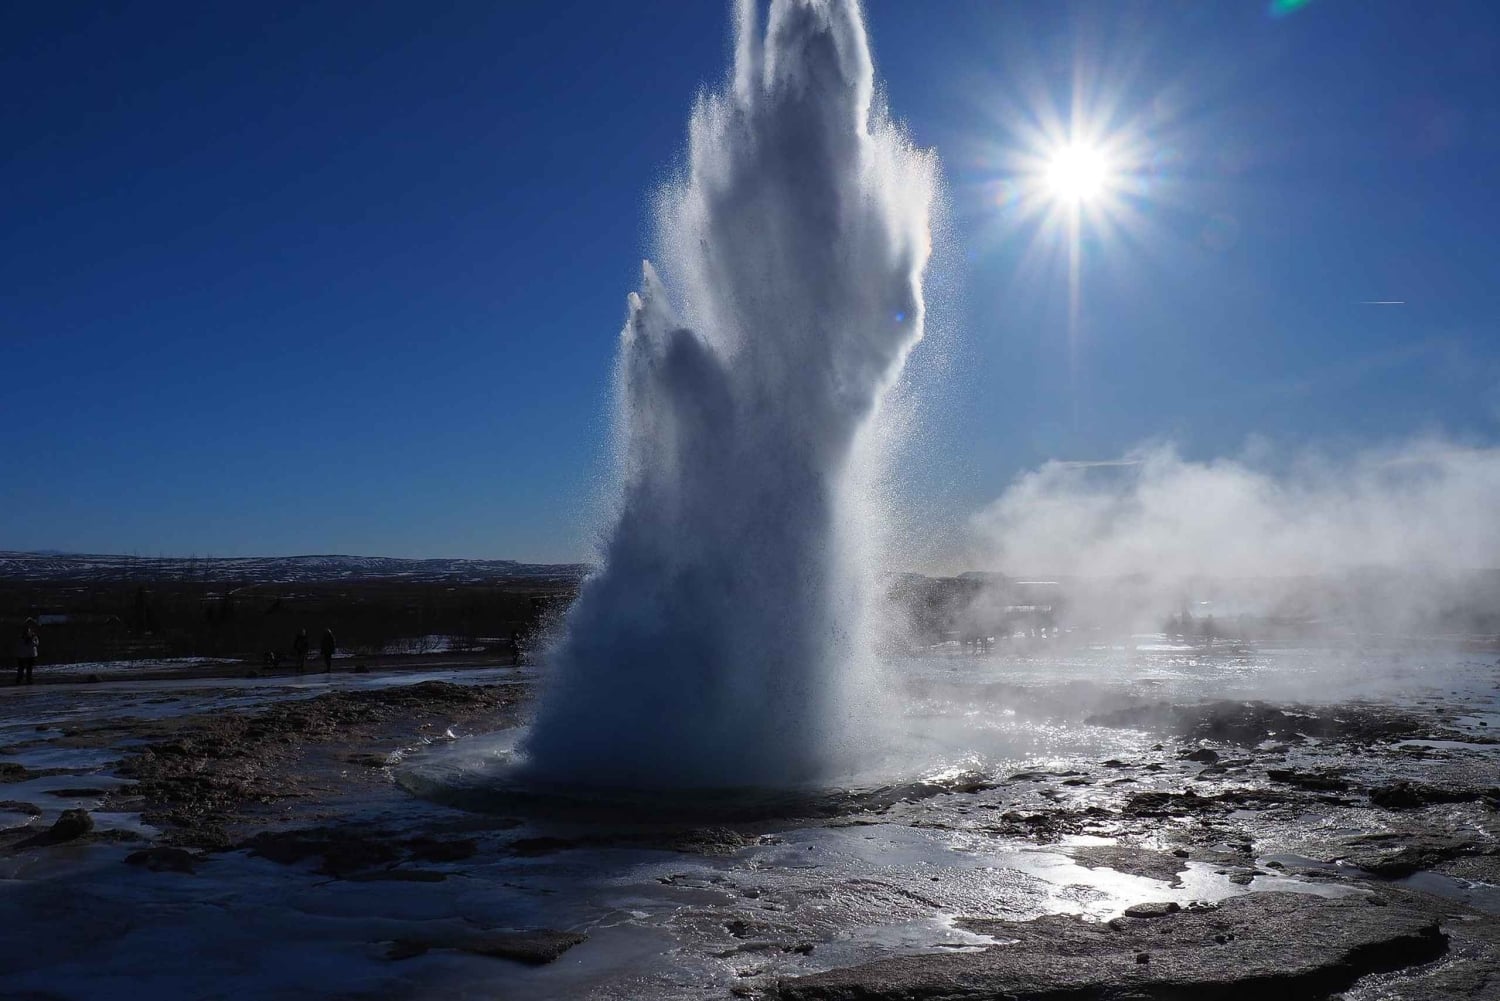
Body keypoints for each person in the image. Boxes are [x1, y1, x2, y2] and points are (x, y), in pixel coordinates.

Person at [16, 619, 39, 685]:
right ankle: (27, 680)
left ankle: (20, 680)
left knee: (22, 668)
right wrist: (34, 639)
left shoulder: (21, 636)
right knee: (28, 668)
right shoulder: (31, 636)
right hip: (29, 655)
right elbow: (35, 644)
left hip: (22, 655)